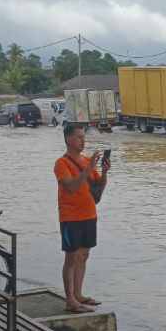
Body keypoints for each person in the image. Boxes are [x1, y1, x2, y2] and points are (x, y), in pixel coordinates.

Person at [55, 124, 108, 314]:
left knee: (84, 255)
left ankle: (78, 294)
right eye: (78, 137)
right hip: (71, 217)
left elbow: (97, 189)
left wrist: (104, 172)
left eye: (83, 137)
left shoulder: (86, 161)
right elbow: (71, 187)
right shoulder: (62, 163)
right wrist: (88, 169)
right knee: (71, 257)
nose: (82, 141)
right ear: (69, 139)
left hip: (89, 214)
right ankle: (70, 299)